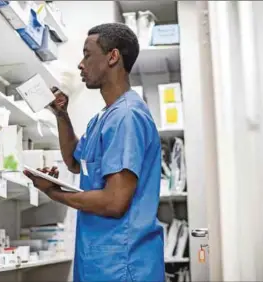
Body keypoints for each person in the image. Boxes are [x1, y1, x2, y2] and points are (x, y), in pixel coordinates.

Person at [24, 23, 164, 282]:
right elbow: (76, 162)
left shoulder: (126, 117)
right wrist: (61, 115)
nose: (80, 64)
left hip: (123, 265)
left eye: (87, 54)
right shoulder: (104, 117)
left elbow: (114, 202)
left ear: (112, 57)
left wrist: (53, 192)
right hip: (101, 262)